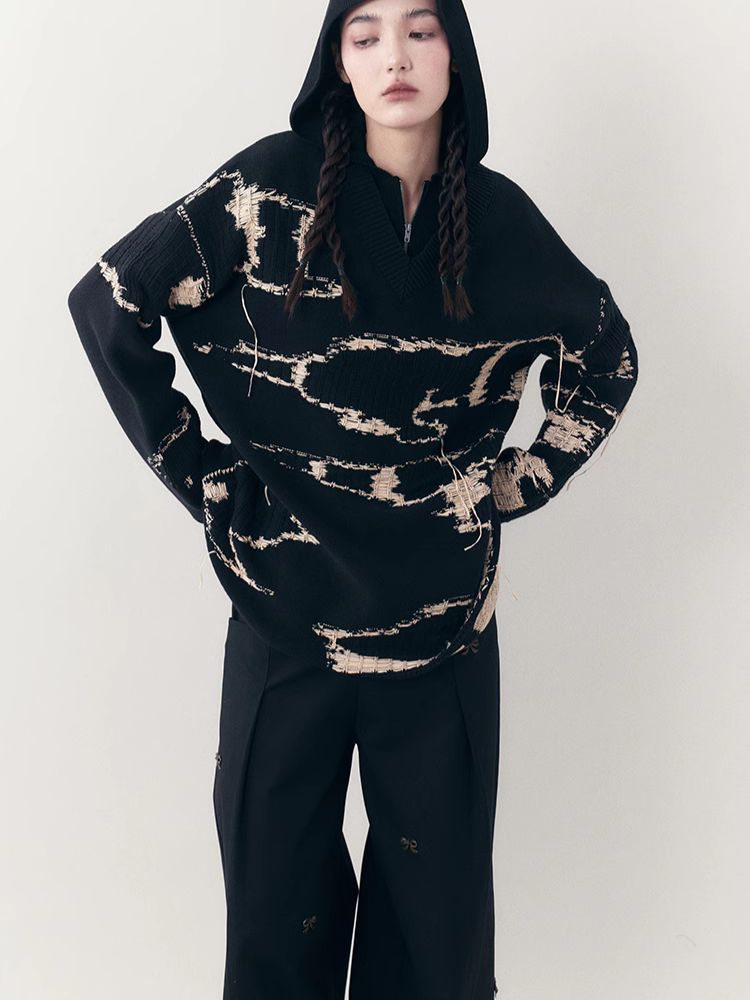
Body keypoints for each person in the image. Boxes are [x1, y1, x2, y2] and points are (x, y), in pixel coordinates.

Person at [67, 0, 639, 996]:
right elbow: (110, 300)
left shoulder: (499, 219)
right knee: (273, 919)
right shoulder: (264, 188)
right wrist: (210, 482)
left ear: (456, 53)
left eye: (421, 30)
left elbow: (608, 357)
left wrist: (511, 485)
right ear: (336, 60)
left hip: (446, 628)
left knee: (436, 941)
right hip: (284, 619)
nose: (395, 57)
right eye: (365, 34)